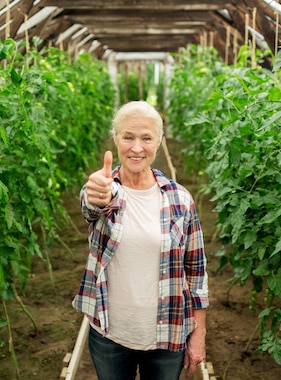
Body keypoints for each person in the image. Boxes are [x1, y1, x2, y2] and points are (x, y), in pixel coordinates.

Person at [72, 101, 209, 379]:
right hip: (110, 333)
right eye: (128, 137)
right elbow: (92, 204)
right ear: (115, 139)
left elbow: (196, 272)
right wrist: (98, 196)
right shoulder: (105, 190)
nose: (137, 148)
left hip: (167, 335)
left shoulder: (180, 199)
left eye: (146, 138)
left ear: (158, 141)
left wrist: (199, 333)